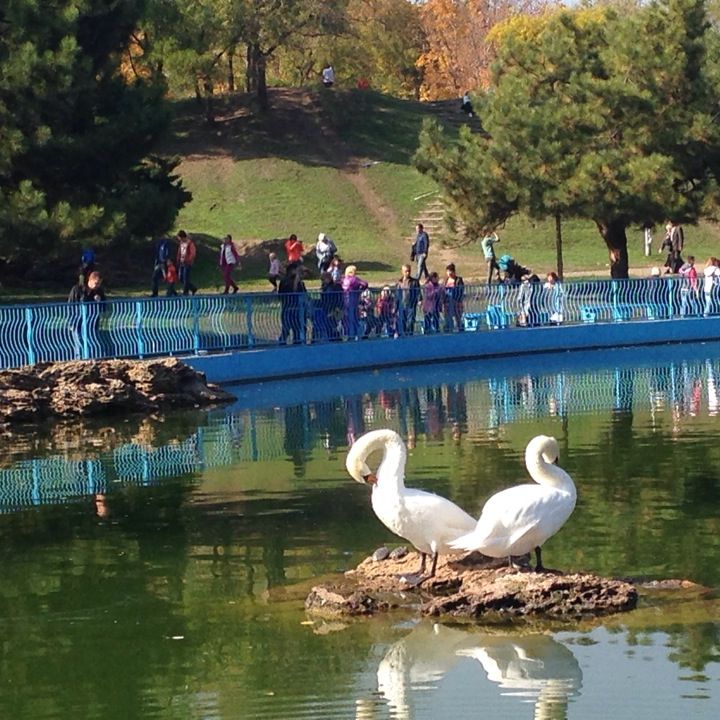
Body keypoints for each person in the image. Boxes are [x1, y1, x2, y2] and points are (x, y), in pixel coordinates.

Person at [278, 262, 307, 344]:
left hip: (299, 308)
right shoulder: (285, 281)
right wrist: (296, 281)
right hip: (289, 308)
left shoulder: (300, 282)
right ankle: (282, 343)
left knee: (299, 329)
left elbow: (304, 293)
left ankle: (298, 343)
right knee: (286, 329)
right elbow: (292, 292)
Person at [341, 265, 368, 340]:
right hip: (353, 301)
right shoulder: (355, 279)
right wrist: (360, 291)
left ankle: (347, 334)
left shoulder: (343, 279)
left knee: (346, 319)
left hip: (344, 301)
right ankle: (354, 334)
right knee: (354, 318)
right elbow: (365, 284)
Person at [395, 263, 420, 336]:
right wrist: (395, 307)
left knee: (411, 321)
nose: (408, 273)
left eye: (409, 271)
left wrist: (419, 300)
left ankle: (410, 335)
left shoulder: (414, 282)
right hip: (402, 305)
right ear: (402, 272)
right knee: (402, 321)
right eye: (406, 271)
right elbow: (397, 295)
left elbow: (418, 292)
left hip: (411, 305)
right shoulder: (399, 282)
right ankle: (403, 336)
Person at [442, 263, 464, 332]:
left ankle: (459, 328)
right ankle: (448, 328)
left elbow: (461, 290)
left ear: (454, 272)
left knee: (457, 317)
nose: (449, 273)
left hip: (456, 302)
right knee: (447, 317)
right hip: (447, 302)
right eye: (448, 271)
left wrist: (458, 300)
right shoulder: (446, 280)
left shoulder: (458, 280)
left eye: (450, 271)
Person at [176, 230, 197, 295]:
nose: (178, 239)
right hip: (182, 262)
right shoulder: (181, 243)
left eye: (179, 237)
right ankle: (193, 288)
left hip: (187, 263)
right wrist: (178, 259)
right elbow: (179, 252)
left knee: (186, 278)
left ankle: (185, 292)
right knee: (181, 278)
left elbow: (192, 253)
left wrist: (188, 260)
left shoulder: (190, 243)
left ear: (182, 237)